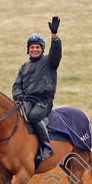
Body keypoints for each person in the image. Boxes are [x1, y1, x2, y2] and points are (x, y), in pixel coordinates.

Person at [12, 16, 62, 162]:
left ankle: (46, 147)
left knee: (33, 116)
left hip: (43, 102)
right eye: (32, 47)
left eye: (37, 47)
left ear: (42, 49)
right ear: (28, 50)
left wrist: (54, 36)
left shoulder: (49, 62)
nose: (34, 50)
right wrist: (18, 96)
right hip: (27, 101)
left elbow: (56, 53)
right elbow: (16, 85)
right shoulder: (24, 67)